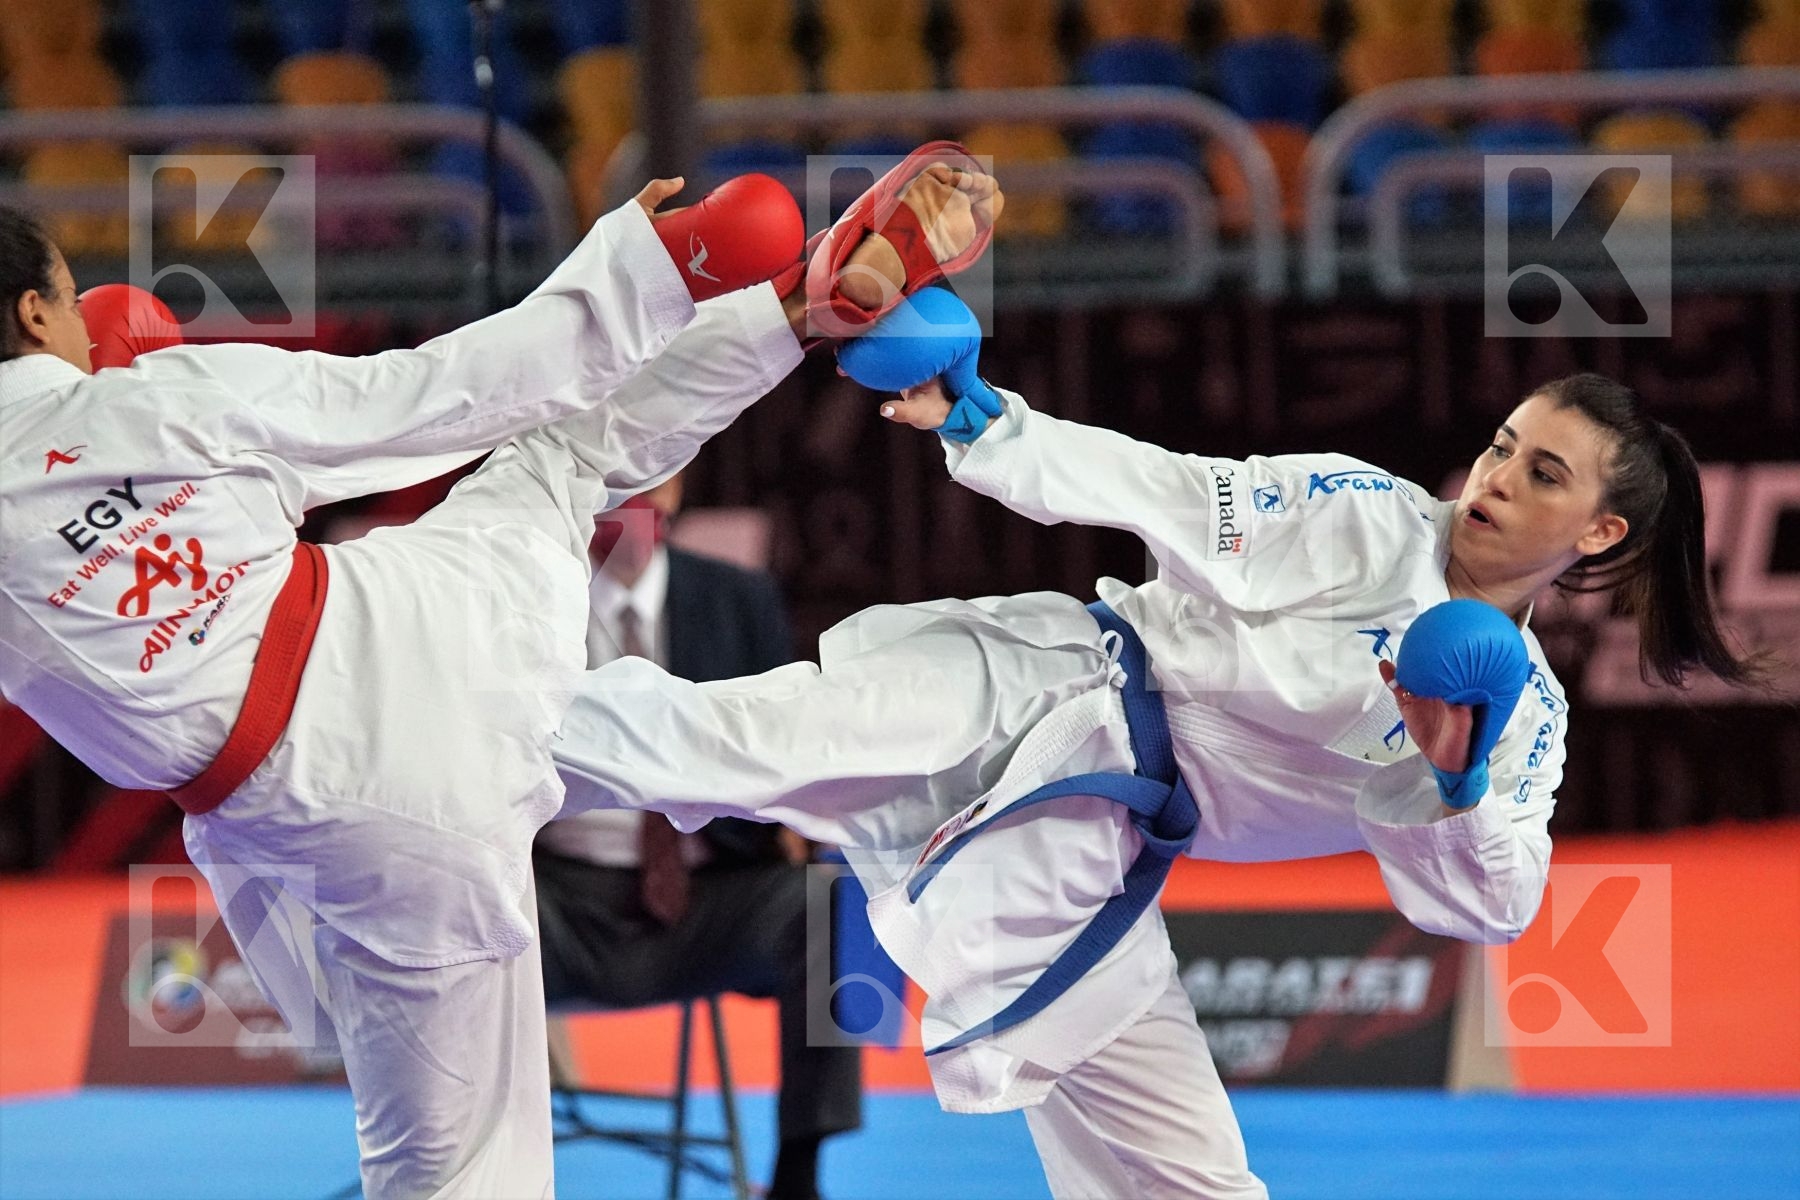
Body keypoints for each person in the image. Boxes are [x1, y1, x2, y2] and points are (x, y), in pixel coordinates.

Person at [549, 293, 1764, 1198]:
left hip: (1099, 860)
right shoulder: (1371, 512)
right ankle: (450, 707)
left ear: (1598, 528)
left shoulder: (1527, 716)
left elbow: (1494, 905)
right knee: (730, 739)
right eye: (1504, 443)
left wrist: (1452, 780)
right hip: (1041, 684)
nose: (1497, 474)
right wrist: (992, 422)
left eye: (1540, 472)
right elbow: (1178, 492)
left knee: (1194, 1185)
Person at [0, 149, 1002, 1199]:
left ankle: (799, 316)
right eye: (71, 304)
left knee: (449, 1168)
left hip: (335, 833)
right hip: (430, 641)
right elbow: (441, 393)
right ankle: (802, 303)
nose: (87, 329)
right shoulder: (159, 396)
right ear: (32, 315)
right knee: (564, 458)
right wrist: (653, 267)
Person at [534, 474, 860, 1200]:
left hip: (705, 900)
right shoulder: (524, 600)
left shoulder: (738, 598)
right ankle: (458, 1163)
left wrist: (802, 824)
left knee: (831, 904)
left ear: (678, 490)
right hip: (549, 901)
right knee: (447, 896)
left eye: (656, 474)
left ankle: (800, 1176)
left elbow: (793, 749)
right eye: (616, 475)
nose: (637, 492)